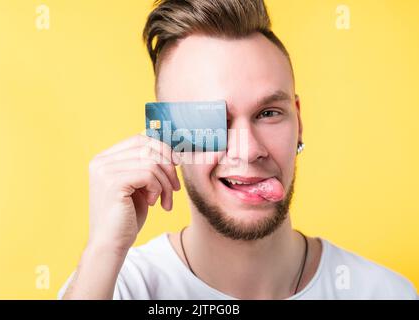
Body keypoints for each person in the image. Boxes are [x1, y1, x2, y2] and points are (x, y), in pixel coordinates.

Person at [59, 0, 417, 299]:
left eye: (268, 113)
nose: (247, 151)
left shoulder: (384, 293)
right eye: (216, 120)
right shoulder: (113, 286)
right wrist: (104, 248)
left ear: (299, 123)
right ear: (168, 134)